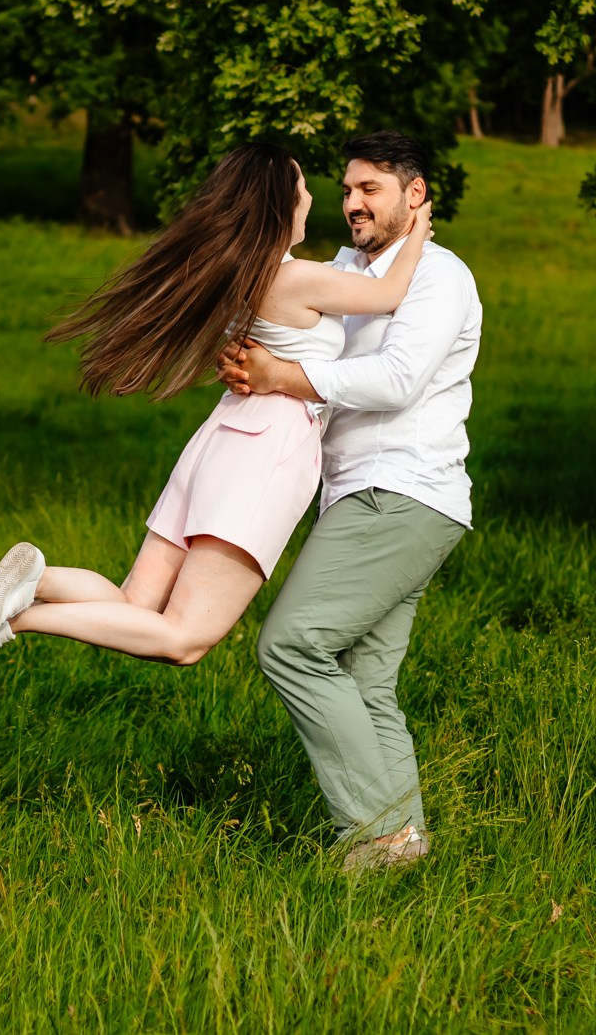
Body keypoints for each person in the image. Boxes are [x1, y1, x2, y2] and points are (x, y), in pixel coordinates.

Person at [0, 139, 433, 700]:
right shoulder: (293, 278)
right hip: (268, 447)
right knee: (185, 638)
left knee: (133, 602)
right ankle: (12, 617)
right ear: (276, 204)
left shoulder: (241, 274)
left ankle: (32, 580)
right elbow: (391, 291)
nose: (312, 197)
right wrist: (417, 224)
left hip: (223, 437)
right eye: (301, 188)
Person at [216, 130, 482, 872]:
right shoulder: (338, 270)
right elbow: (284, 324)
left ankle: (373, 834)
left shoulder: (441, 276)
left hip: (404, 490)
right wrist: (248, 356)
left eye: (371, 188)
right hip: (354, 495)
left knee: (291, 645)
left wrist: (281, 379)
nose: (353, 202)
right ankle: (406, 848)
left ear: (415, 194)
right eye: (345, 189)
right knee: (366, 683)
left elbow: (397, 380)